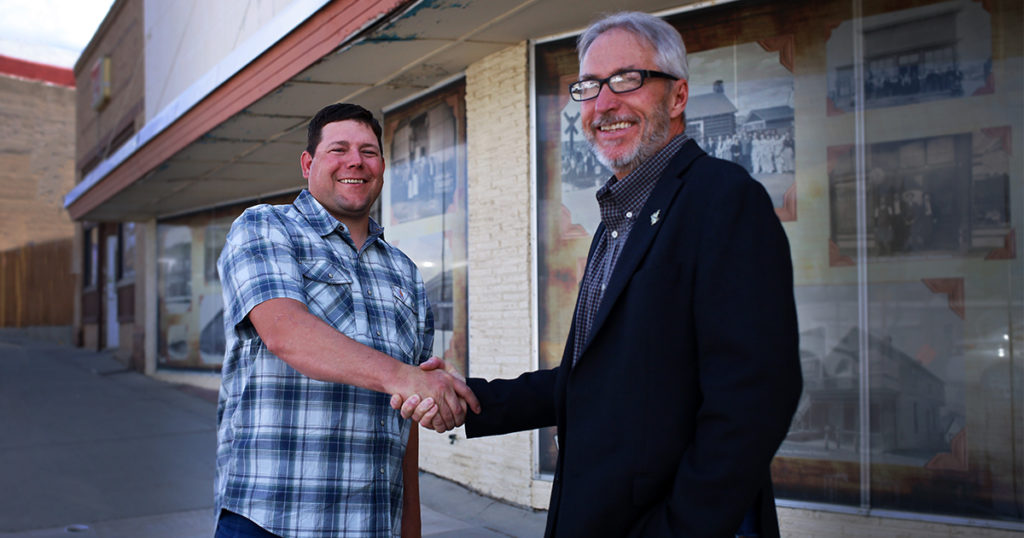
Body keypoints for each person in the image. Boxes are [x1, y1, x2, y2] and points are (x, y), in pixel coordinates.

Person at [395, 12, 802, 537]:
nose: (604, 103)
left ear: (677, 97)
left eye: (627, 80)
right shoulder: (620, 216)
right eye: (589, 86)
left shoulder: (723, 200)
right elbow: (598, 380)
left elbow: (755, 399)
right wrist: (473, 402)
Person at [214, 103, 480, 538]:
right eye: (338, 149)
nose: (355, 161)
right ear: (308, 164)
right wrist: (404, 377)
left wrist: (409, 527)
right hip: (271, 520)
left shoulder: (405, 273)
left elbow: (406, 415)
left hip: (371, 524)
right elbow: (287, 333)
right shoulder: (266, 227)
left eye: (369, 152)